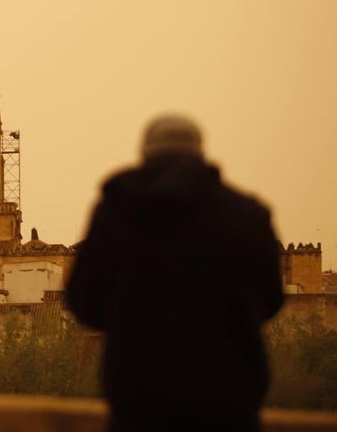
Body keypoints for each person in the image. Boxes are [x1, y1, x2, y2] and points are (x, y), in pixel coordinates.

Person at [66, 114, 285, 432]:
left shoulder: (115, 211)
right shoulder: (249, 215)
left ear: (145, 154)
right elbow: (271, 301)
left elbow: (84, 304)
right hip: (229, 404)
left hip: (139, 405)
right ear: (200, 153)